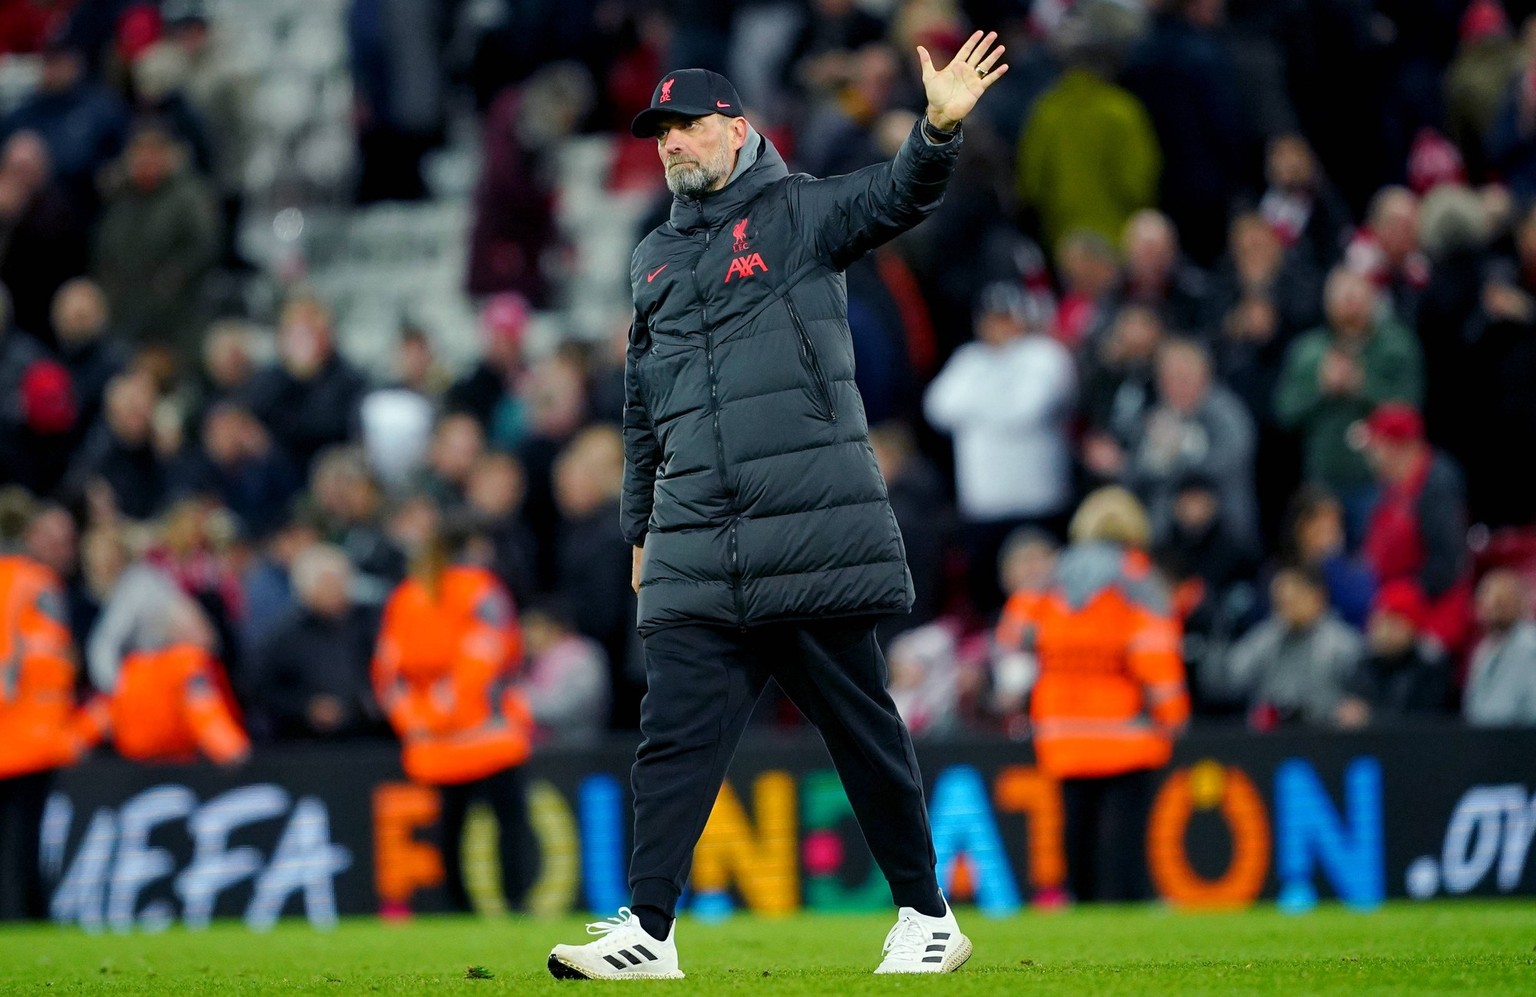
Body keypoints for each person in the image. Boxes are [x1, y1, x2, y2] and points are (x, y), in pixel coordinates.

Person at [549, 32, 1011, 980]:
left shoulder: (799, 212)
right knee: (672, 735)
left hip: (803, 526)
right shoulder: (652, 259)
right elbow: (641, 410)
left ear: (736, 128)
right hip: (696, 541)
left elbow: (896, 196)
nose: (672, 144)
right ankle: (648, 928)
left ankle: (927, 914)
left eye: (686, 127)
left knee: (862, 731)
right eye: (660, 133)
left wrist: (935, 131)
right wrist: (640, 526)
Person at [994, 486, 1189, 903]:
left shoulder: (1052, 577)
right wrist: (1172, 715)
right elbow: (1154, 655)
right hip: (1125, 730)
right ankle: (1123, 904)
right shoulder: (1138, 581)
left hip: (1062, 729)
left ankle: (1078, 903)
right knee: (1124, 834)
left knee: (1075, 825)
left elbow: (1014, 637)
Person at [373, 517, 537, 914]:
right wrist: (448, 707)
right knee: (508, 823)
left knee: (451, 828)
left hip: (437, 741)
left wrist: (418, 717)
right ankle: (514, 904)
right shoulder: (481, 590)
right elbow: (488, 653)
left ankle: (457, 909)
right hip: (489, 735)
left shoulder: (405, 597)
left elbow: (388, 672)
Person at [923, 280, 1075, 614]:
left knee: (1048, 596)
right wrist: (995, 401)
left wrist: (976, 406)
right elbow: (937, 407)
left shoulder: (1045, 355)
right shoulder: (969, 358)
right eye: (992, 318)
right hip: (984, 507)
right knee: (988, 603)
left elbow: (1027, 409)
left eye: (1006, 317)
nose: (999, 327)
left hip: (1037, 502)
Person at [0, 502, 95, 920]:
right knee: (23, 837)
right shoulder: (30, 580)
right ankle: (25, 915)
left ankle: (26, 913)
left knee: (24, 836)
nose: (63, 548)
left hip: (28, 733)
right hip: (25, 735)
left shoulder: (29, 580)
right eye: (52, 538)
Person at [245, 544, 380, 742]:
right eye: (328, 584)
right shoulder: (284, 636)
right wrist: (305, 707)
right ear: (307, 589)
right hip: (307, 745)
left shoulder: (369, 623)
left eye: (342, 581)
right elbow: (258, 689)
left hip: (368, 735)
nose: (338, 590)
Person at [1213, 564, 1364, 729]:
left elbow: (1360, 698)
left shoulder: (1343, 643)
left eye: (1294, 599)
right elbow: (1230, 679)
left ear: (1317, 597)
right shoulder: (1265, 637)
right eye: (1281, 603)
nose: (1286, 609)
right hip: (1270, 737)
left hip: (1326, 736)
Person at [1334, 579, 1453, 727]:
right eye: (1379, 621)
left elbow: (1426, 721)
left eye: (1392, 622)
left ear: (1412, 626)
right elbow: (1353, 704)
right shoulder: (1366, 662)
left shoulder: (1430, 665)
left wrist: (1370, 718)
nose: (1383, 631)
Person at [1464, 568, 1536, 726]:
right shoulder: (1483, 650)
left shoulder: (1530, 646)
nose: (1495, 607)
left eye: (1503, 600)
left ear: (1521, 603)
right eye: (1489, 600)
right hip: (1486, 742)